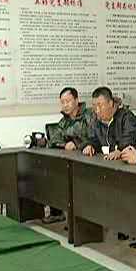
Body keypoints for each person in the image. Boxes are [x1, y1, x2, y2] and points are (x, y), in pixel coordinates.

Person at [43, 87, 94, 224]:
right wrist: (64, 145)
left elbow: (94, 137)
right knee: (51, 172)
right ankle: (57, 212)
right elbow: (54, 139)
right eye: (62, 102)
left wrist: (77, 144)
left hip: (90, 159)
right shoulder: (64, 121)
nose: (65, 105)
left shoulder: (89, 115)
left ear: (76, 100)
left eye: (68, 101)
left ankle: (82, 219)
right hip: (72, 159)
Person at [79, 86, 136, 159]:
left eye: (100, 105)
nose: (97, 110)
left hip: (124, 161)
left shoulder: (126, 117)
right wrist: (89, 145)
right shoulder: (95, 119)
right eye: (94, 106)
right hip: (104, 161)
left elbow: (130, 138)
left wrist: (120, 150)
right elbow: (91, 138)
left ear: (110, 103)